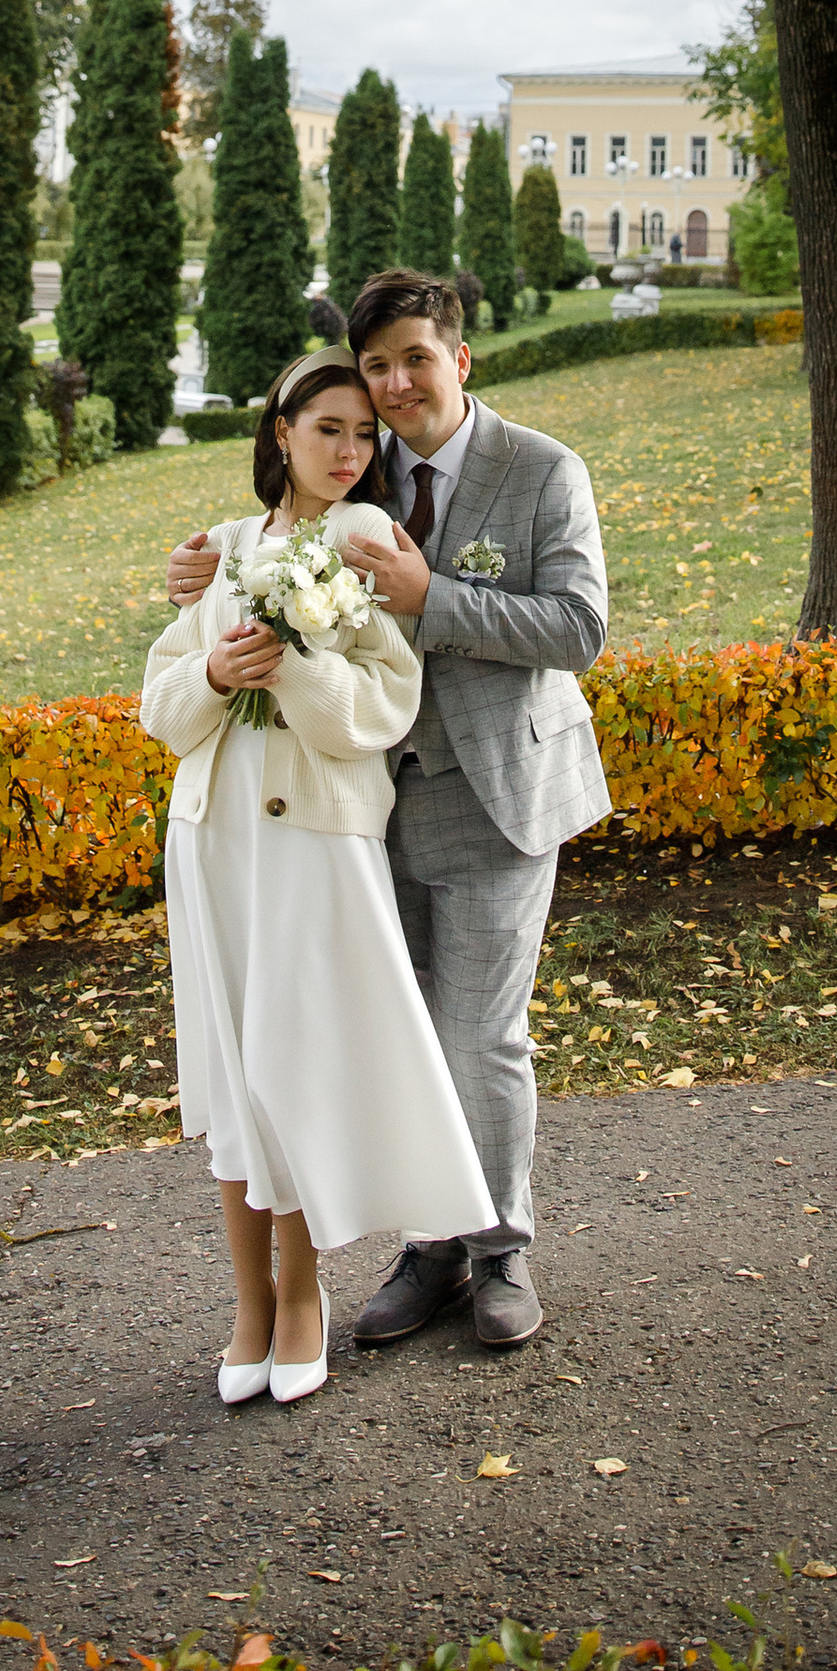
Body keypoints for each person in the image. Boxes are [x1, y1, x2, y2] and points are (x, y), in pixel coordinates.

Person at [164, 265, 610, 1353]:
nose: (397, 385)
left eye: (417, 359)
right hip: (366, 807)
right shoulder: (359, 469)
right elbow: (272, 539)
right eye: (378, 367)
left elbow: (578, 630)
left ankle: (500, 1246)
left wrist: (433, 599)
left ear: (460, 358)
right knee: (400, 1035)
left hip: (496, 792)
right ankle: (431, 1246)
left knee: (480, 1034)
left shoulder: (540, 470)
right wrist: (206, 561)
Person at [140, 350, 492, 1412]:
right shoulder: (225, 547)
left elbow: (380, 711)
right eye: (326, 429)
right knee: (234, 1073)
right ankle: (249, 1305)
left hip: (312, 844)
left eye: (361, 434)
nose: (349, 451)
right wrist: (211, 672)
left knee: (292, 1068)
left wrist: (289, 660)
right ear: (279, 432)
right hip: (211, 840)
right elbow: (159, 704)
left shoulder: (369, 542)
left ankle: (303, 1299)